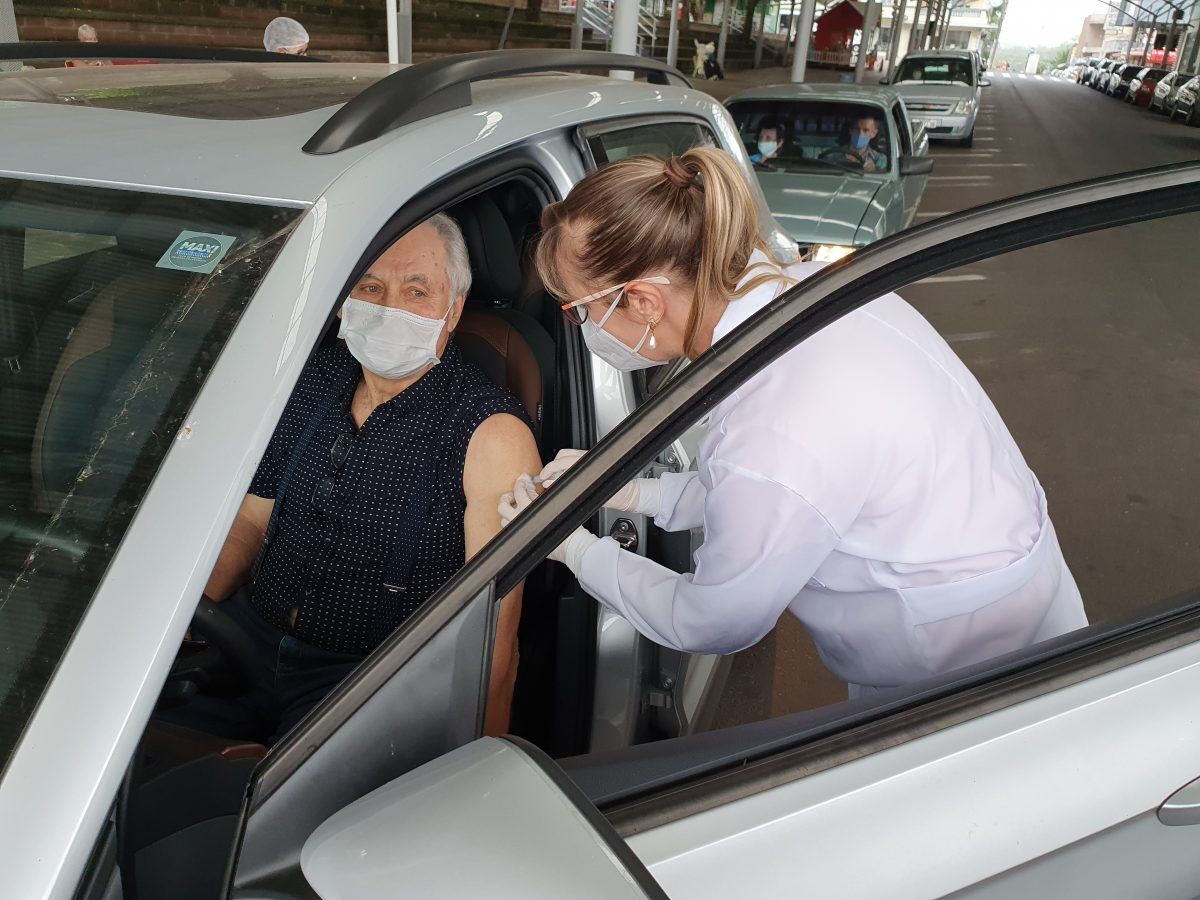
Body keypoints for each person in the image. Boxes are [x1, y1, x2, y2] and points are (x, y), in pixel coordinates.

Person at [500, 148, 1088, 697]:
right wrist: (632, 491)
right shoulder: (807, 292)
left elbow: (713, 618)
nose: (580, 328)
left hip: (959, 659)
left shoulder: (777, 428)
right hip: (1012, 575)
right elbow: (788, 497)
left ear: (645, 302)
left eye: (579, 309)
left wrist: (574, 550)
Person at [166, 214, 540, 743]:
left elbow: (493, 633)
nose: (389, 309)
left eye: (416, 290)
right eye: (370, 286)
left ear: (452, 310)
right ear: (343, 301)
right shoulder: (315, 380)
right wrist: (181, 615)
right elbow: (252, 521)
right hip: (246, 642)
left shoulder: (490, 434)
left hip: (365, 679)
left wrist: (472, 772)